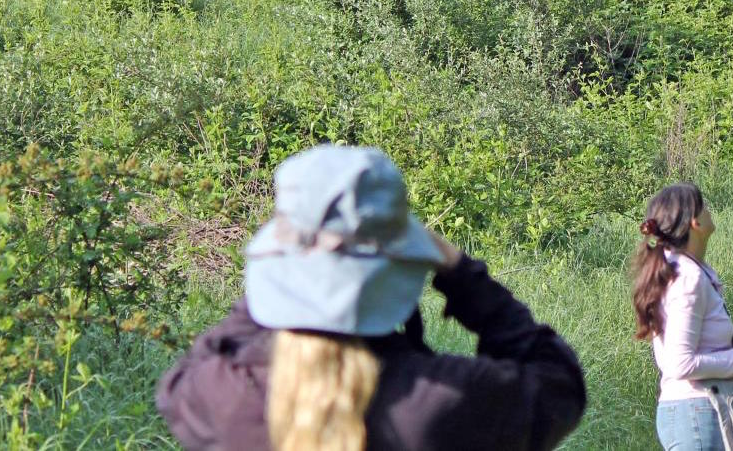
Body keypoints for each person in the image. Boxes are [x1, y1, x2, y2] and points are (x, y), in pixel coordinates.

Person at [155, 145, 586, 451]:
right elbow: (558, 381)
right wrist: (459, 272)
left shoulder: (218, 394)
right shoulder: (444, 400)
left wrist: (281, 273)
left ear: (279, 270)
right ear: (398, 267)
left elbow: (197, 361)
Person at [634, 183, 733, 451]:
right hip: (699, 413)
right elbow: (679, 364)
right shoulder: (687, 278)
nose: (709, 210)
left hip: (697, 410)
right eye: (704, 205)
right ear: (694, 222)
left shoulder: (681, 270)